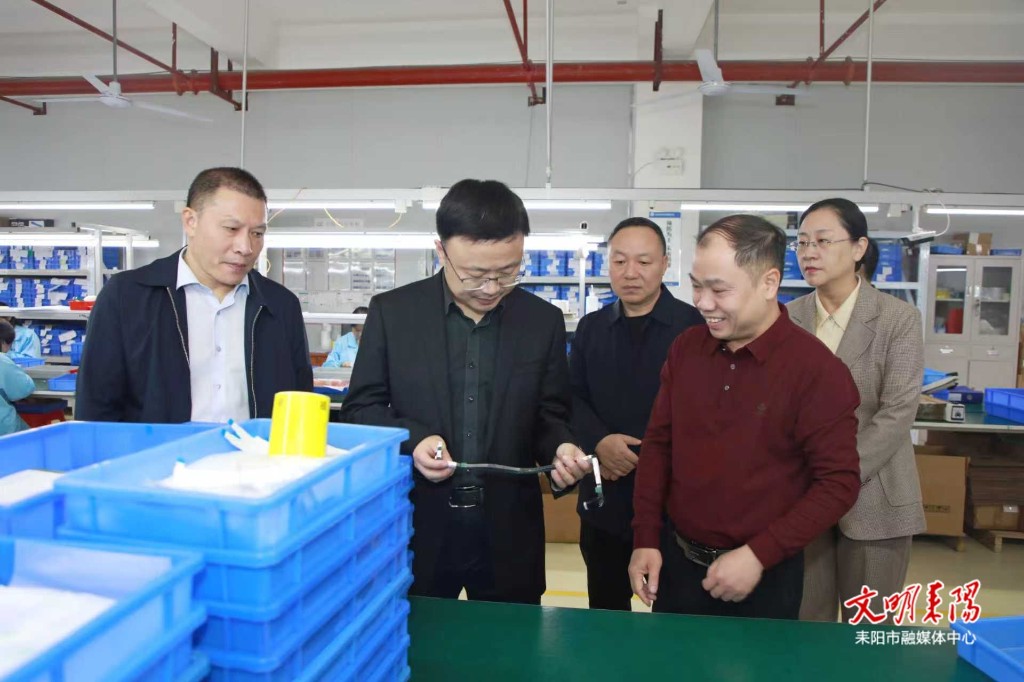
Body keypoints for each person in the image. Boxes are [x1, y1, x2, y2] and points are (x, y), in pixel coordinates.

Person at [341, 178, 592, 605]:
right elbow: (361, 409)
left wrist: (562, 449)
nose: (491, 288)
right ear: (441, 251)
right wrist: (415, 440)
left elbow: (549, 415)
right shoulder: (393, 313)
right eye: (475, 274)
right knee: (419, 639)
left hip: (509, 533)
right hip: (416, 526)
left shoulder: (541, 321)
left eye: (507, 273)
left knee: (509, 641)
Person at [627, 214, 861, 620]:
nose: (703, 303)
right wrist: (645, 537)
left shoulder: (816, 371)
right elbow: (659, 446)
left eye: (719, 290)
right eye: (697, 286)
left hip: (764, 578)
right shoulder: (686, 349)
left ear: (769, 283)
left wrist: (758, 554)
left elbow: (838, 484)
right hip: (678, 567)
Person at [76, 167, 313, 423]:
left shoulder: (281, 306)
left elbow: (299, 407)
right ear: (191, 221)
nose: (245, 247)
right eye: (231, 228)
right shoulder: (127, 297)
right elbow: (95, 411)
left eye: (257, 233)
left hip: (255, 450)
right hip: (159, 451)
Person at [787, 198, 926, 623]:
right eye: (802, 242)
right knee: (806, 626)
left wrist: (836, 475)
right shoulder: (786, 319)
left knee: (868, 633)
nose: (809, 253)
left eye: (823, 241)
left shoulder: (897, 319)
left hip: (875, 497)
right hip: (801, 498)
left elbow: (897, 411)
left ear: (859, 248)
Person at [570, 217, 703, 611]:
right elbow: (572, 397)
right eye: (620, 261)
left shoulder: (695, 330)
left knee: (675, 617)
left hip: (675, 507)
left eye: (643, 262)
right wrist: (599, 442)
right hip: (605, 499)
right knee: (606, 614)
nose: (631, 273)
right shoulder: (591, 328)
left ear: (665, 264)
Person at [0, 320, 35, 435]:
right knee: (29, 438)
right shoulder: (2, 361)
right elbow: (24, 388)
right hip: (4, 430)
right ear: (3, 342)